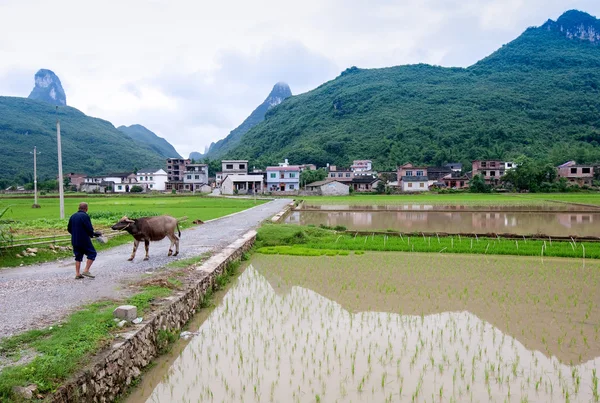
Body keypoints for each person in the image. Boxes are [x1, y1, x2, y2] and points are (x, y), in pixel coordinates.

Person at [67, 202, 101, 279]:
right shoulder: (85, 216)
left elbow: (69, 229)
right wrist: (94, 234)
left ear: (78, 208)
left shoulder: (73, 216)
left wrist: (75, 234)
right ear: (86, 209)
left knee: (78, 256)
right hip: (84, 239)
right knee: (92, 253)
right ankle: (86, 270)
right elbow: (89, 228)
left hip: (75, 240)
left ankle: (77, 274)